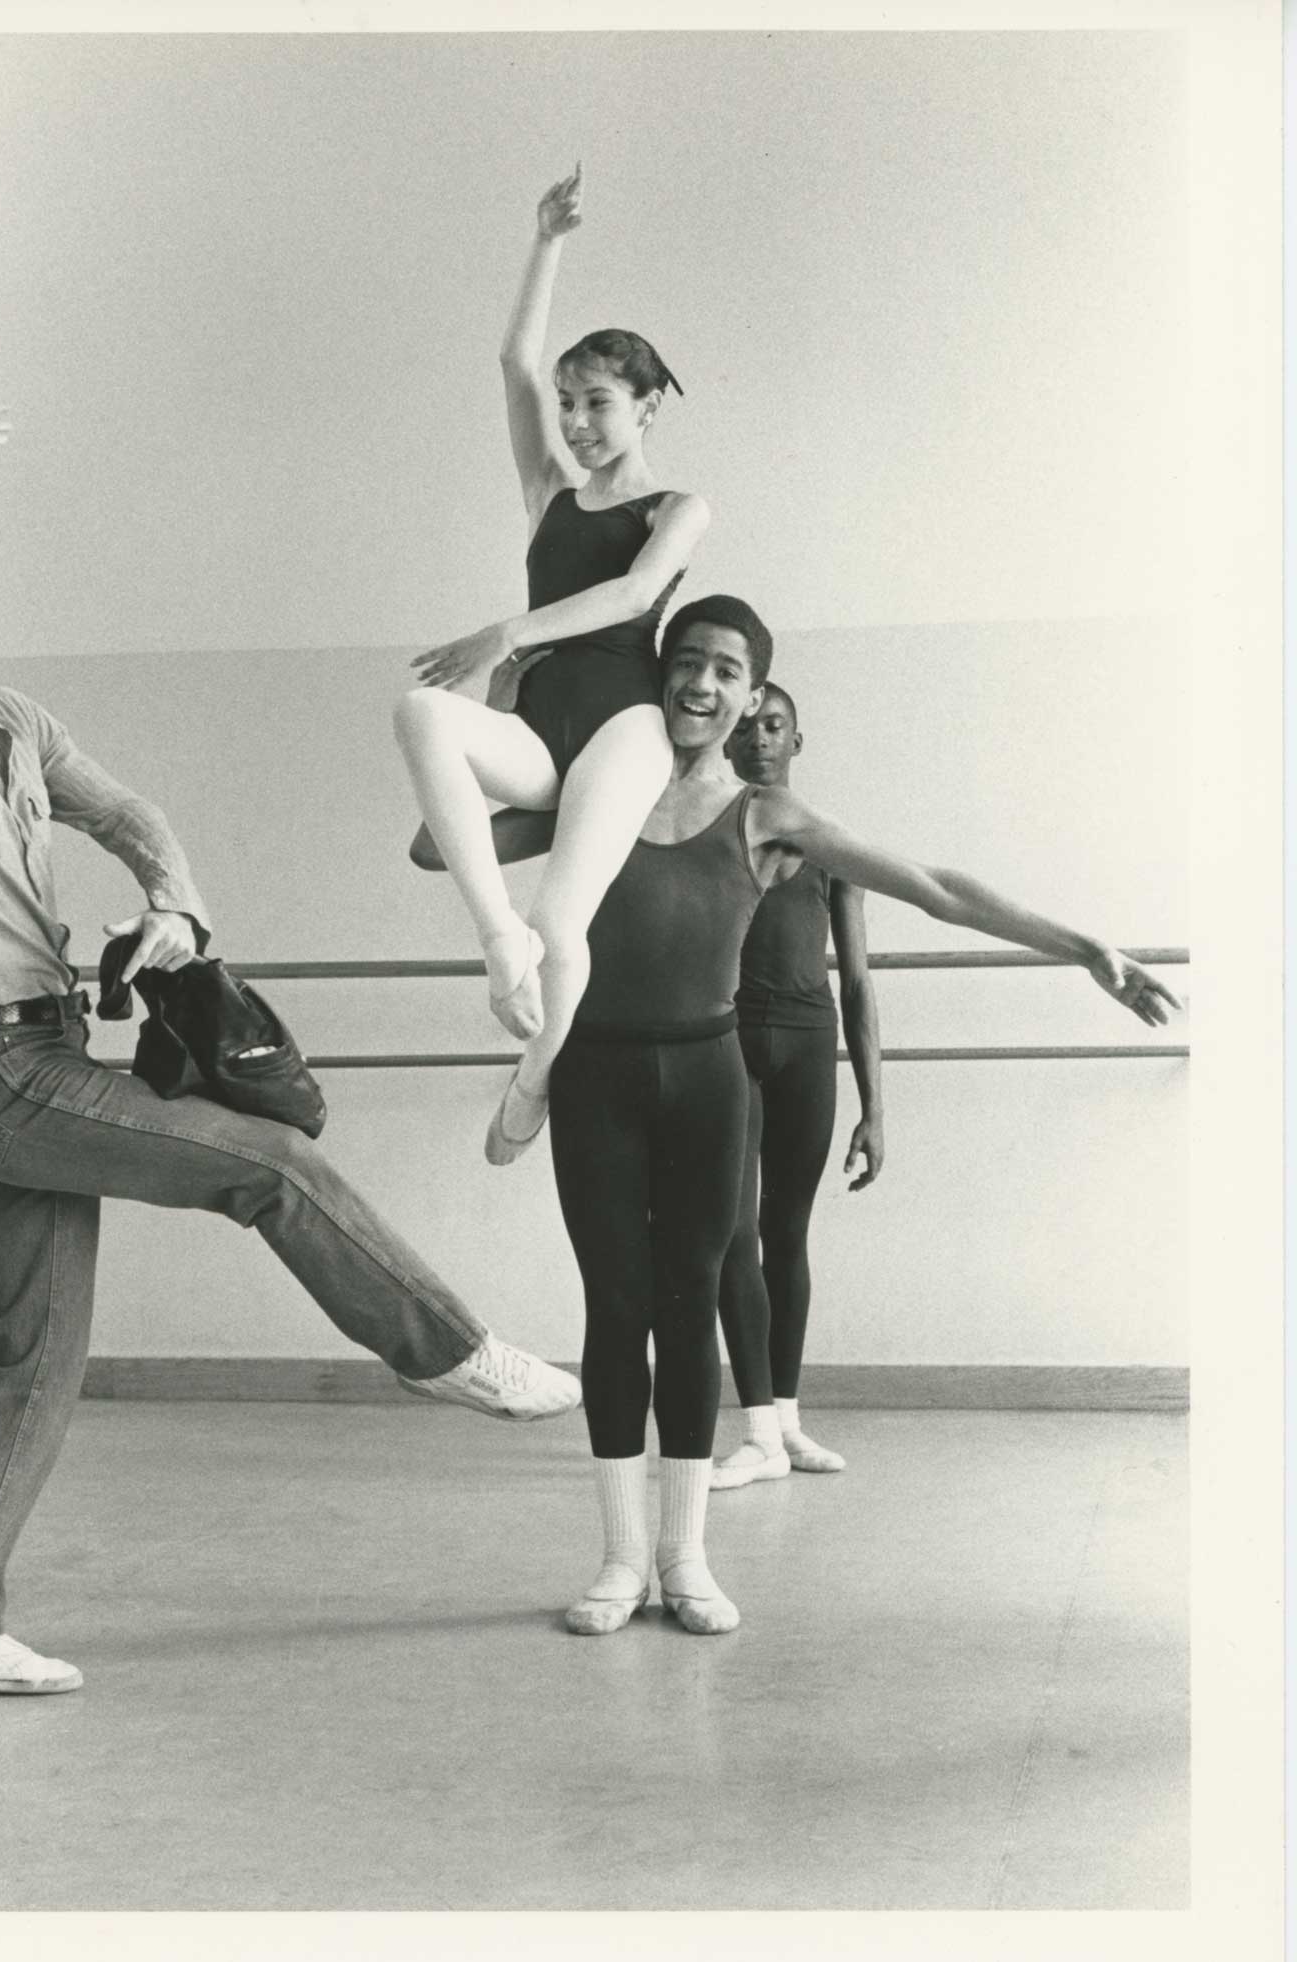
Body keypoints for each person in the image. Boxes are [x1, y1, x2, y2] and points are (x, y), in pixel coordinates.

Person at [0, 371, 581, 1700]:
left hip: (52, 1048)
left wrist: (173, 901)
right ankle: (448, 1347)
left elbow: (129, 812)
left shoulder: (13, 724)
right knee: (266, 1166)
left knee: (34, 1350)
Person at [423, 594, 1178, 1638]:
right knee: (615, 1306)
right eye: (686, 661)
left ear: (749, 696)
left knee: (689, 1303)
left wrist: (1083, 946)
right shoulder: (592, 793)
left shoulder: (766, 820)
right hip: (595, 1076)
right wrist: (511, 708)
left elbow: (935, 888)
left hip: (707, 1078)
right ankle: (616, 1559)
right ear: (661, 676)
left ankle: (683, 1559)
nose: (700, 683)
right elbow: (432, 842)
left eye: (726, 671)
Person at [392, 164, 710, 1168]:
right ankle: (496, 945)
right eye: (570, 403)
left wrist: (506, 632)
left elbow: (629, 598)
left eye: (599, 403)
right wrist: (546, 239)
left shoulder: (676, 509)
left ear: (648, 406)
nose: (574, 421)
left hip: (625, 724)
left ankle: (533, 1074)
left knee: (561, 919)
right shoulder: (549, 495)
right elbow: (512, 360)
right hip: (543, 727)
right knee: (422, 714)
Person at [710, 685, 884, 1486]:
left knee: (788, 1233)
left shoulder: (828, 847)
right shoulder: (706, 832)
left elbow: (856, 981)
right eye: (744, 727)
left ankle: (785, 1422)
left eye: (772, 726)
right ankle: (754, 1433)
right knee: (732, 1235)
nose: (757, 740)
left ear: (797, 740)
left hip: (809, 1046)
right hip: (729, 1043)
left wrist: (875, 1109)